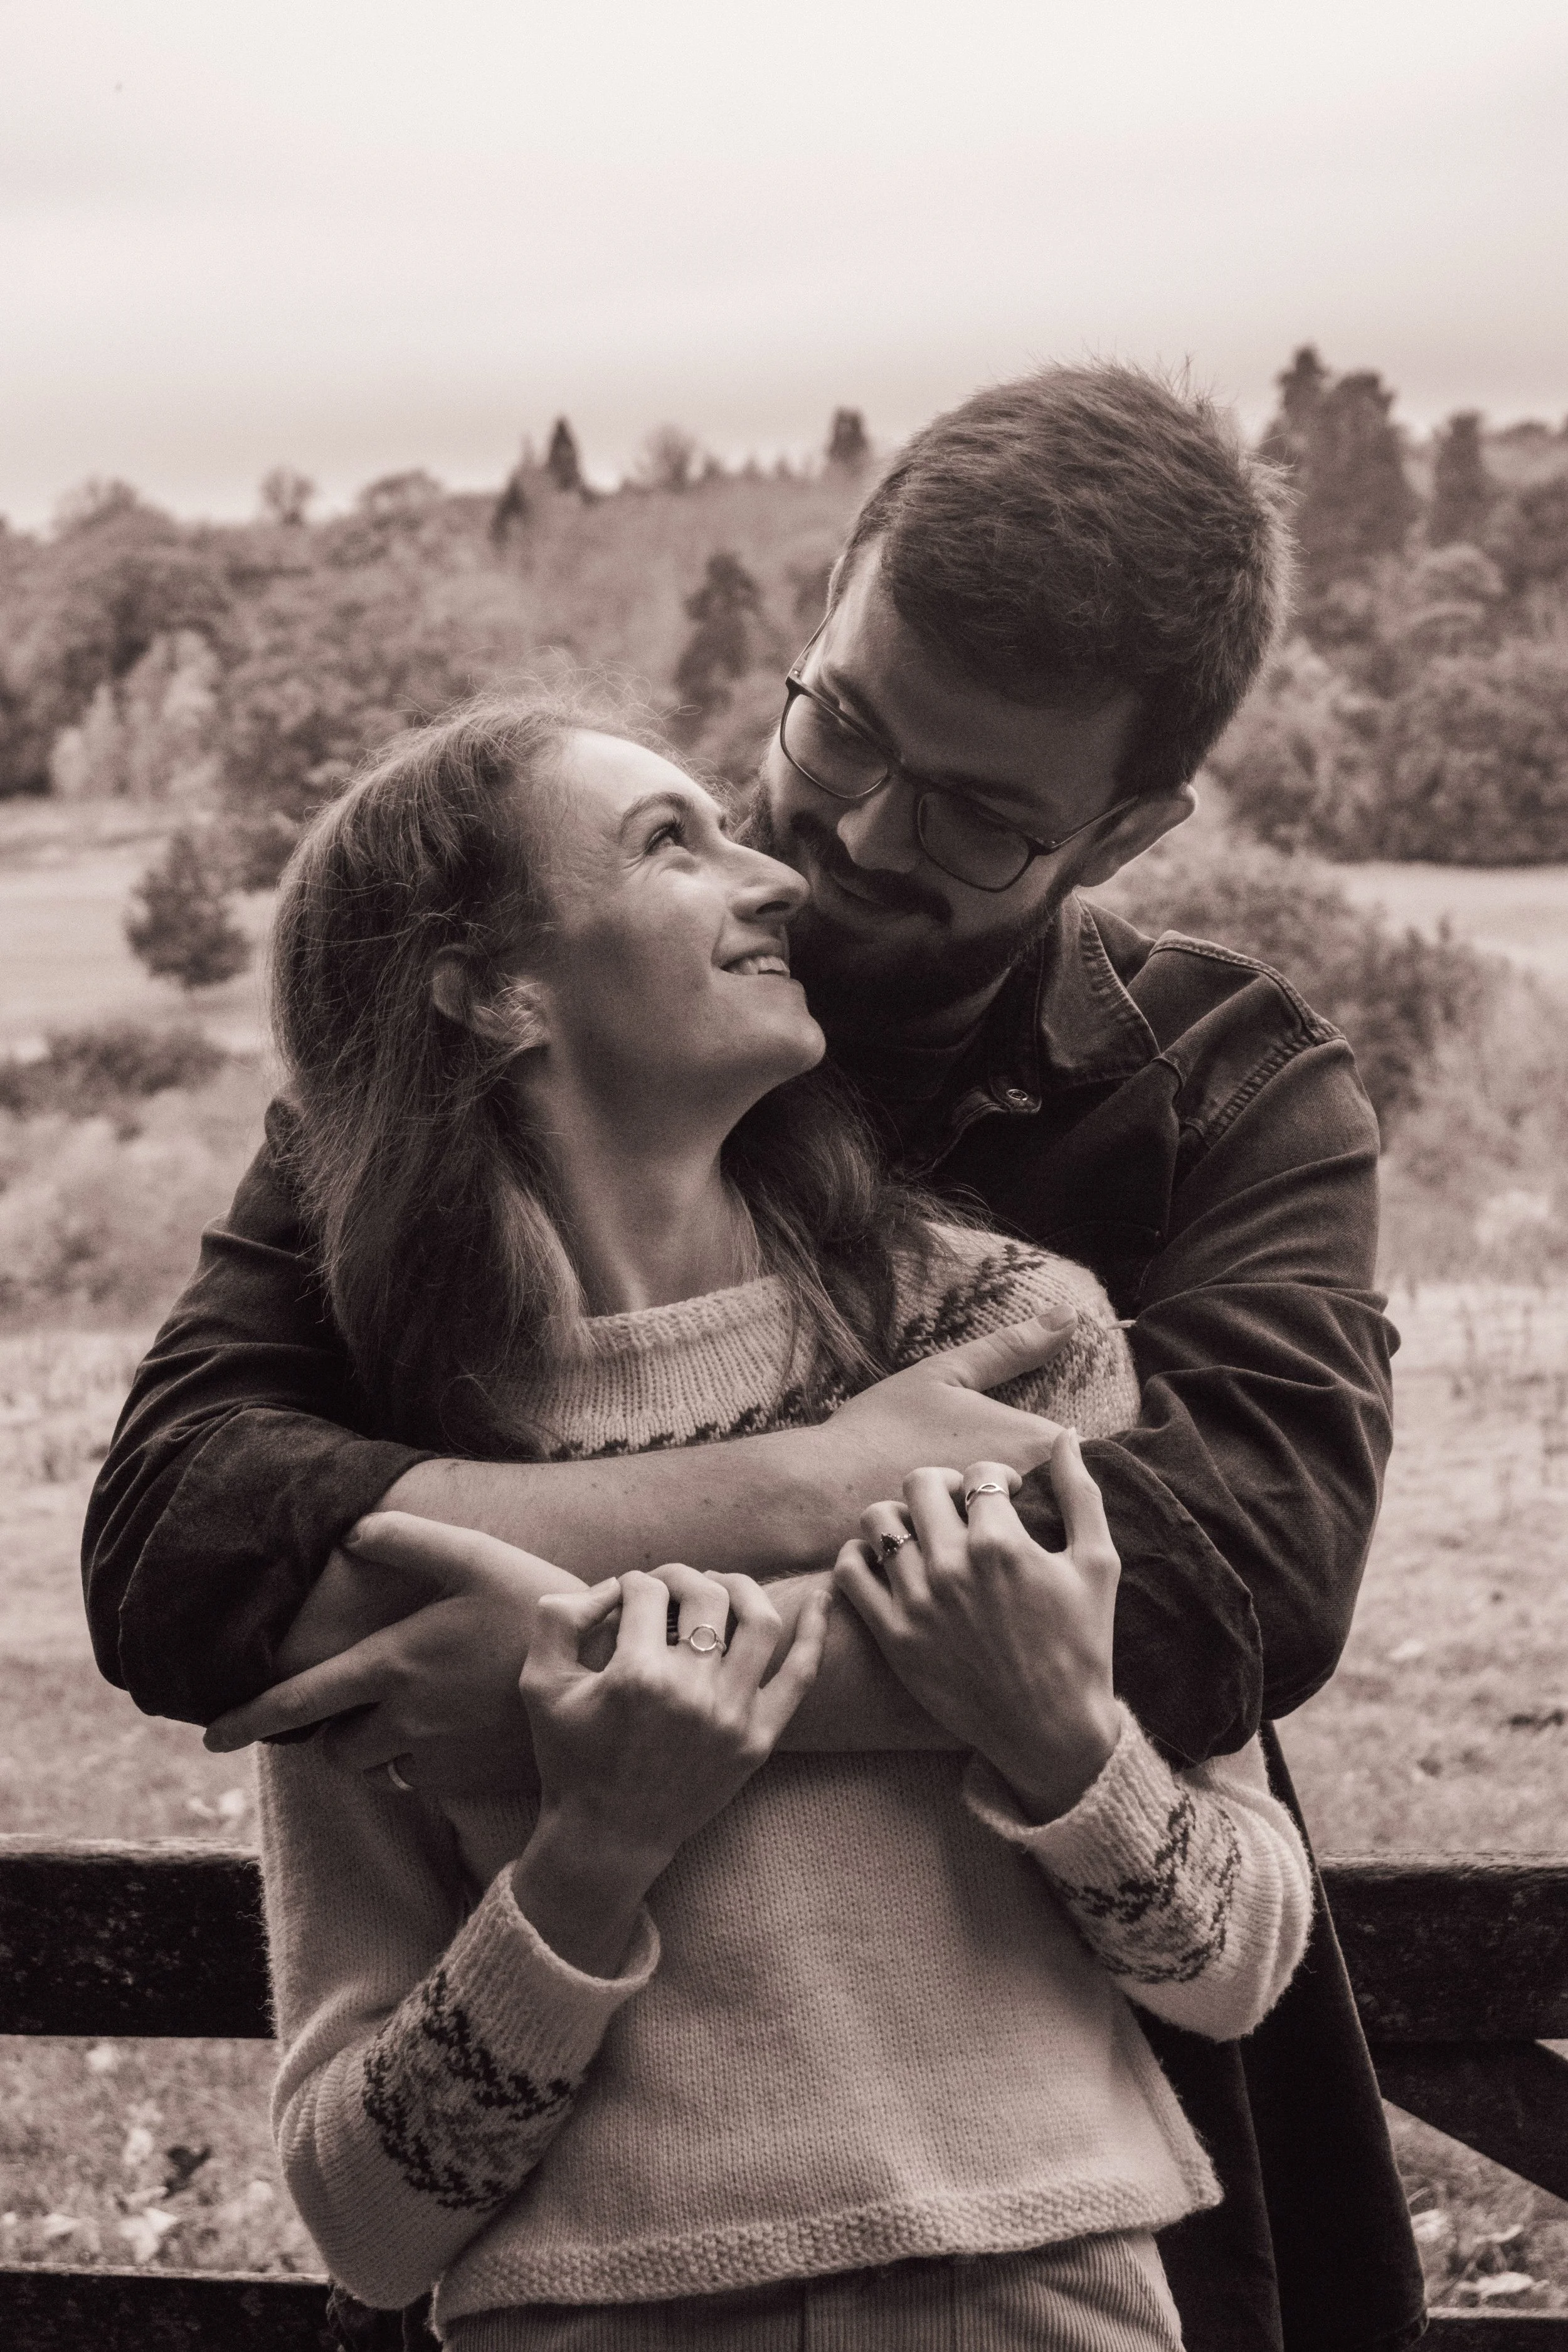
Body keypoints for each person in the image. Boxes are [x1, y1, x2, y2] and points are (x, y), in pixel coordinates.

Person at [83, 364, 1425, 2352]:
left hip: (1110, 2234)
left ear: (1127, 827)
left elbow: (1229, 1584)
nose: (850, 841)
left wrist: (564, 1682)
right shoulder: (434, 1114)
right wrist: (789, 1486)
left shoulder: (1220, 1095)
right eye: (843, 725)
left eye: (978, 814)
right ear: (821, 619)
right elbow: (187, 1543)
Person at [251, 694, 1313, 2349]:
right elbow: (367, 2218)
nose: (779, 884)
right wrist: (592, 1853)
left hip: (1048, 2301)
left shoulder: (1004, 1336)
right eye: (670, 842)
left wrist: (1058, 1740)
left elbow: (1238, 1954)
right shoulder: (385, 1468)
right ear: (488, 985)